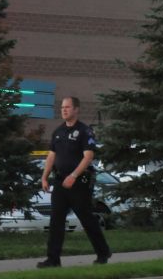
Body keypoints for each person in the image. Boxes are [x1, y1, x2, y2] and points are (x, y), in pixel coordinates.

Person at [36, 96, 112, 268]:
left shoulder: (85, 131)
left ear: (76, 109)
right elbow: (51, 156)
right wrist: (44, 176)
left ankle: (103, 252)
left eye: (68, 107)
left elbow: (88, 157)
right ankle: (53, 259)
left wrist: (74, 175)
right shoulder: (58, 132)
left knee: (87, 219)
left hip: (79, 183)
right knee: (56, 220)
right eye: (62, 107)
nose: (64, 110)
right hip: (60, 182)